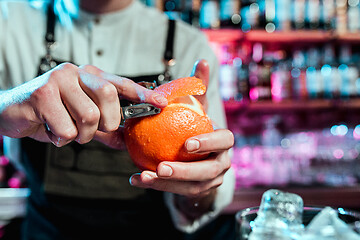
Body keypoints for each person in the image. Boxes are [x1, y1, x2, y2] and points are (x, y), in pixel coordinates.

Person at [0, 0, 235, 239]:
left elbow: (201, 205)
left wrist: (199, 190)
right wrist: (5, 107)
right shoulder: (8, 20)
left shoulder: (189, 44)